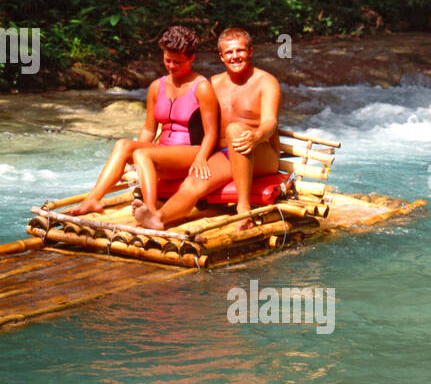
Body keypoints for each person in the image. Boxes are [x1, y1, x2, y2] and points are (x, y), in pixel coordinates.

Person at [133, 27, 280, 232]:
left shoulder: (266, 82)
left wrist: (256, 136)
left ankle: (244, 208)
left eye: (240, 51)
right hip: (225, 154)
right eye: (229, 52)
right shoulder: (212, 83)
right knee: (194, 183)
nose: (235, 56)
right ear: (221, 56)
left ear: (251, 52)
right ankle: (158, 217)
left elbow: (270, 122)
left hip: (261, 151)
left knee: (235, 130)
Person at [69, 25, 220, 214]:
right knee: (124, 145)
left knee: (142, 154)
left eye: (178, 62)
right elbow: (149, 129)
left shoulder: (202, 87)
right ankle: (93, 200)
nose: (171, 66)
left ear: (191, 58)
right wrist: (131, 160)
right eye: (168, 60)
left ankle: (149, 209)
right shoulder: (157, 86)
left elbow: (212, 132)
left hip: (190, 153)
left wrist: (201, 159)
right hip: (161, 152)